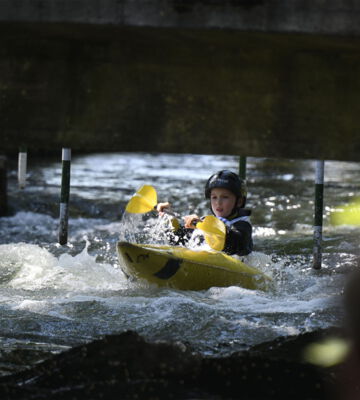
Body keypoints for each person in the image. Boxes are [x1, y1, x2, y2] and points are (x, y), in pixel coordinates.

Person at [156, 170, 253, 256]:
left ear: (239, 202)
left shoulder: (243, 226)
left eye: (225, 197)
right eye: (214, 197)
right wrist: (172, 220)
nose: (218, 203)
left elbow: (236, 244)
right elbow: (179, 242)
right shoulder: (206, 221)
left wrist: (202, 225)